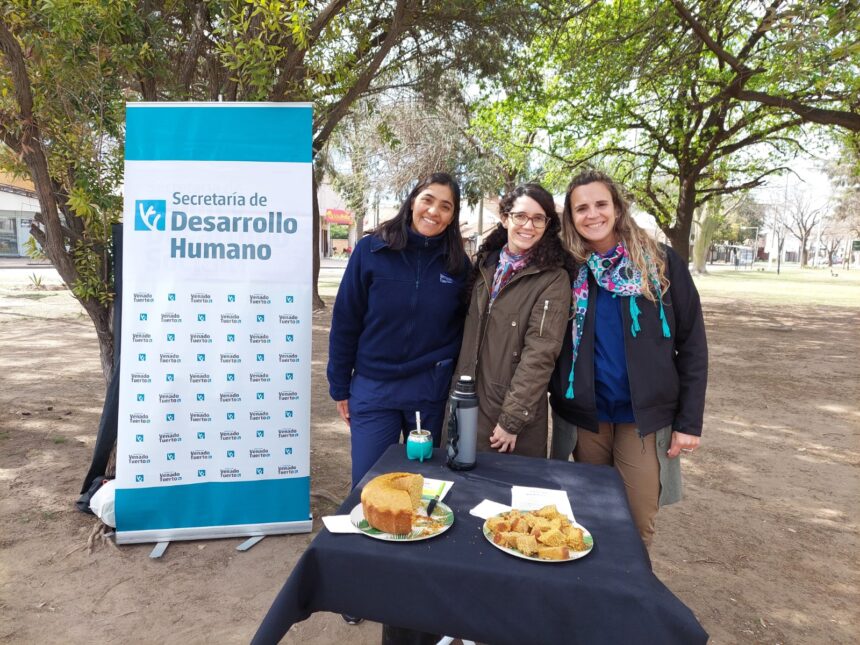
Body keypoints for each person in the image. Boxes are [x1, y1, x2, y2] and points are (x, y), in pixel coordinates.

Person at [548, 170, 708, 549]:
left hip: (643, 417)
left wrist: (689, 422)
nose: (592, 215)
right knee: (588, 518)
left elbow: (693, 344)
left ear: (617, 208)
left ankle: (630, 599)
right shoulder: (568, 268)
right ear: (571, 217)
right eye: (581, 208)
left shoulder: (660, 264)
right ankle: (592, 599)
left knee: (637, 521)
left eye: (601, 204)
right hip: (588, 415)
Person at [327, 172, 470, 490]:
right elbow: (346, 321)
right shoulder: (371, 251)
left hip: (428, 391)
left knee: (423, 487)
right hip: (374, 389)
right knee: (370, 486)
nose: (434, 211)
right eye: (428, 200)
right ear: (412, 202)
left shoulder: (458, 265)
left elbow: (464, 328)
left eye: (446, 206)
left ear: (452, 217)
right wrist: (340, 385)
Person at [453, 183, 573, 458]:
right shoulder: (484, 266)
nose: (528, 225)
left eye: (538, 218)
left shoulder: (553, 278)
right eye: (520, 216)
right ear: (505, 218)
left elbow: (541, 354)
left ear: (547, 225)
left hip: (509, 415)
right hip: (465, 401)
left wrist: (512, 419)